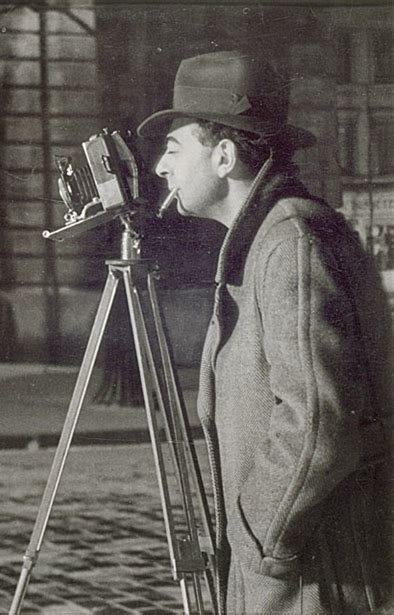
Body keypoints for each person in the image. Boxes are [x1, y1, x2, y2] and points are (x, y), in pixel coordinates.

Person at [137, 50, 393, 614]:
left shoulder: (290, 243)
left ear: (224, 156)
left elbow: (319, 420)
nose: (160, 167)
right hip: (300, 570)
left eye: (174, 149)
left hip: (311, 581)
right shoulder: (270, 239)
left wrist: (257, 538)